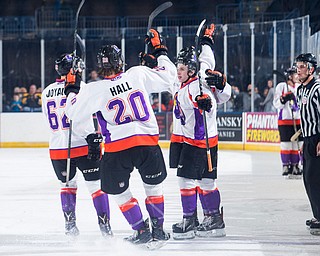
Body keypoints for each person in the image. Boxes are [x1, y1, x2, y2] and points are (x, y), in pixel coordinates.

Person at [64, 29, 176, 246]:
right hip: (146, 144)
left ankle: (141, 230)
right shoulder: (138, 73)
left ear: (100, 66)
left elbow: (72, 113)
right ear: (120, 61)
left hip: (117, 149)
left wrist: (72, 87)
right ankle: (158, 230)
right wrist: (159, 51)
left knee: (119, 192)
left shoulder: (94, 89)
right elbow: (168, 76)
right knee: (153, 189)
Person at [169, 23, 231, 240]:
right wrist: (207, 41)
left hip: (196, 142)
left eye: (182, 69)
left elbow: (211, 101)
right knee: (206, 181)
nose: (178, 71)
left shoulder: (197, 86)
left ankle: (189, 220)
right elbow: (206, 56)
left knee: (186, 180)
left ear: (191, 71)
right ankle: (213, 218)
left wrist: (206, 103)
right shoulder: (191, 77)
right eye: (178, 67)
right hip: (201, 141)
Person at [41, 53, 112, 237]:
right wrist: (93, 136)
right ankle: (105, 228)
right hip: (82, 144)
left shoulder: (47, 91)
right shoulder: (82, 87)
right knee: (96, 187)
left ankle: (70, 226)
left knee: (67, 186)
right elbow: (82, 117)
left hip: (58, 148)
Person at [295, 53, 320, 236]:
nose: (298, 69)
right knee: (308, 179)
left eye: (302, 66)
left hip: (318, 139)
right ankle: (317, 214)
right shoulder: (301, 90)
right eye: (298, 66)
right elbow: (305, 118)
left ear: (311, 68)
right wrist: (304, 139)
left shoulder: (317, 88)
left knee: (315, 179)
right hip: (309, 139)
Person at [273, 66, 303, 178]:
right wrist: (283, 99)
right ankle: (286, 165)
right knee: (286, 145)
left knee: (297, 145)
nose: (298, 76)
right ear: (290, 76)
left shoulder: (300, 86)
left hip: (298, 120)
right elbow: (276, 104)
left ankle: (295, 165)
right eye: (296, 74)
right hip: (285, 121)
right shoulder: (281, 86)